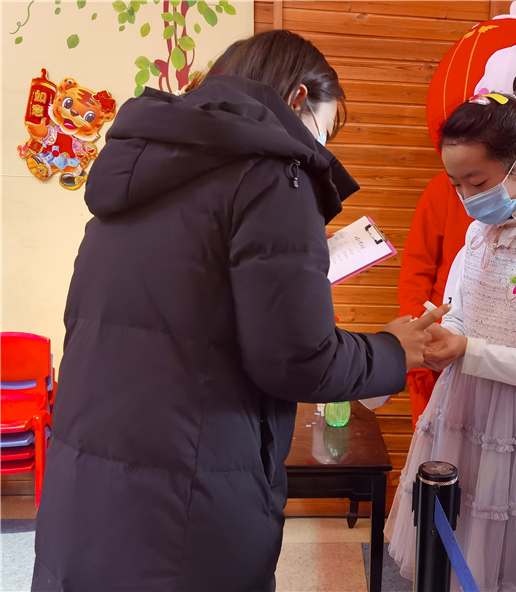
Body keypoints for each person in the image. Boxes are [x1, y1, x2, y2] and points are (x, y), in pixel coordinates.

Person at [32, 30, 448, 591]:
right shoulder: (275, 173)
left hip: (85, 487)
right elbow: (299, 359)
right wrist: (395, 349)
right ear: (298, 100)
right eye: (325, 132)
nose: (323, 149)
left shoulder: (135, 169)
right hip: (188, 498)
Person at [386, 92, 516, 592]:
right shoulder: (478, 232)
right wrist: (443, 337)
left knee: (509, 555)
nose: (466, 197)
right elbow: (462, 317)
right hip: (465, 408)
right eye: (456, 184)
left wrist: (466, 350)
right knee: (455, 538)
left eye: (477, 182)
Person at [398, 174, 472, 426]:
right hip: (438, 344)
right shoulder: (445, 185)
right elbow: (417, 268)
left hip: (496, 351)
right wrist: (418, 334)